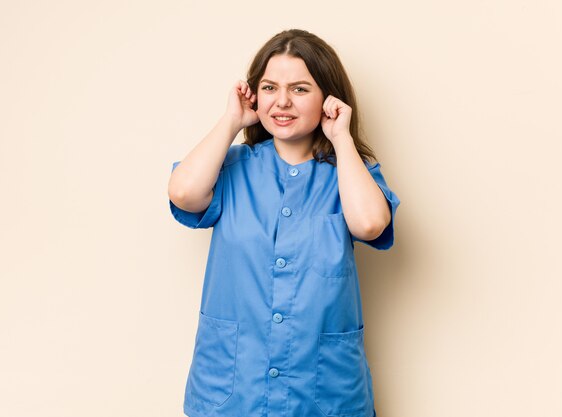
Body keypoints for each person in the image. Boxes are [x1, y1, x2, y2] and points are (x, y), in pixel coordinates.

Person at [168, 28, 400, 417]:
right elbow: (183, 193)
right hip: (233, 388)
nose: (282, 102)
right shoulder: (231, 169)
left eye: (300, 89)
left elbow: (370, 224)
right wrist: (231, 121)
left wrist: (342, 139)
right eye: (271, 87)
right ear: (255, 95)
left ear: (328, 98)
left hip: (322, 390)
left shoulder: (349, 175)